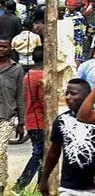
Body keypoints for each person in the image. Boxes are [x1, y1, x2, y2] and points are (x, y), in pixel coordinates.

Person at [39, 78, 95, 196]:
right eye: (66, 93)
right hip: (69, 188)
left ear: (87, 96)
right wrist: (44, 178)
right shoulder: (62, 120)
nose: (68, 97)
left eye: (73, 94)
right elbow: (54, 152)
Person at [13, 46, 44, 192]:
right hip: (41, 121)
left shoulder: (28, 75)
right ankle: (20, 185)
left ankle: (40, 187)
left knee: (42, 155)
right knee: (39, 154)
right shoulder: (42, 77)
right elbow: (44, 101)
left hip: (31, 119)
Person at [0, 35, 25, 194]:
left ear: (10, 48)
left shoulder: (16, 69)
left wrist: (21, 122)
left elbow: (20, 97)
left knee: (0, 150)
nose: (1, 49)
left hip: (6, 117)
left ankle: (1, 184)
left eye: (4, 46)